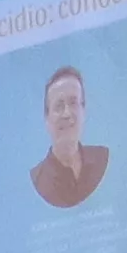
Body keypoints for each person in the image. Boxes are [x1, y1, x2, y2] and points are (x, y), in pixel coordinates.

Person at [30, 66, 111, 208]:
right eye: (59, 106)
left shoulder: (103, 159)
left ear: (83, 111)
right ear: (46, 119)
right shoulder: (38, 180)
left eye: (73, 103)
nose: (67, 114)